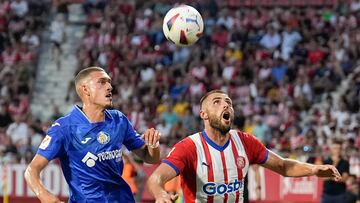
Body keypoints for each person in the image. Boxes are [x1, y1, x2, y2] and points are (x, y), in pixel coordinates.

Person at [147, 89, 341, 203]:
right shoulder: (189, 147)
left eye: (228, 103)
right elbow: (156, 178)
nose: (226, 106)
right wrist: (160, 194)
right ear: (203, 114)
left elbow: (283, 166)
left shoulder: (245, 142)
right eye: (217, 102)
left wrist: (315, 169)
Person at [24, 67, 161, 203]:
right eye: (102, 82)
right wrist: (45, 196)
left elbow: (150, 158)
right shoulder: (65, 128)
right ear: (85, 90)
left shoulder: (119, 120)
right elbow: (31, 171)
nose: (109, 87)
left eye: (109, 82)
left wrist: (153, 144)